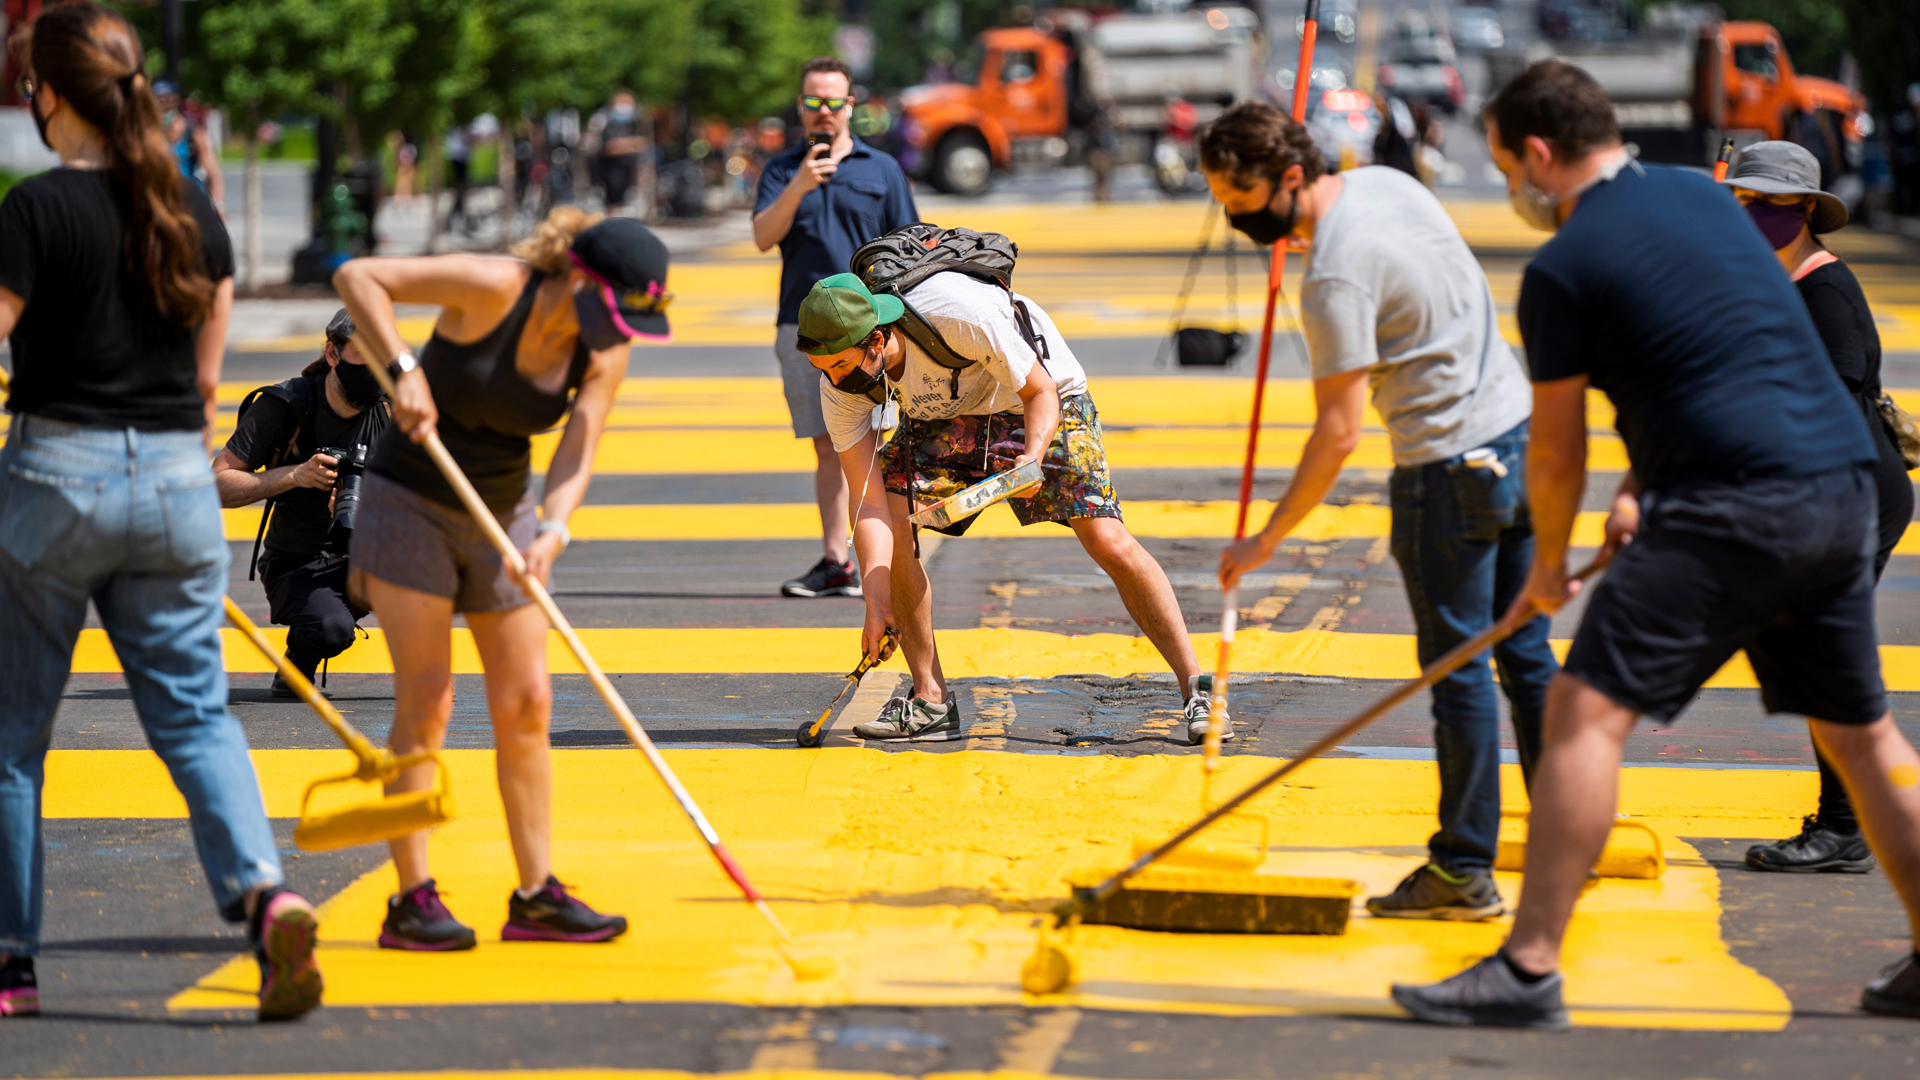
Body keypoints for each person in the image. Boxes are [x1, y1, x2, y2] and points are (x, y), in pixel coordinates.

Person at [1395, 58, 1920, 1029]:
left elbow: (1554, 458)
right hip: (1842, 485)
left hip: (1736, 505)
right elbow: (1717, 353)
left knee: (1587, 716)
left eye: (1510, 164)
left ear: (1540, 155)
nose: (1513, 184)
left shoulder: (1562, 269)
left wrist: (1545, 570)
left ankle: (1526, 968)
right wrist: (1645, 481)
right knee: (1862, 732)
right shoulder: (1699, 197)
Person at [0, 2, 320, 1021]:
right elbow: (213, 327)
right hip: (179, 487)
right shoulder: (187, 207)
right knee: (193, 716)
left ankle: (12, 962)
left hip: (57, 479)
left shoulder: (34, 210)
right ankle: (265, 900)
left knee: (12, 738)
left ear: (49, 95)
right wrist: (193, 410)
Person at [1204, 100, 1554, 920]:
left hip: (1445, 470)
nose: (1236, 216)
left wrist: (1265, 538)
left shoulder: (1330, 276)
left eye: (1243, 197)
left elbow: (1337, 433)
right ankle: (1569, 825)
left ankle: (1464, 870)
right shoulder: (1390, 183)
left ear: (1291, 176)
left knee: (1459, 669)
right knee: (1527, 654)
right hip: (1517, 434)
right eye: (1222, 198)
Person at [332, 206, 668, 951]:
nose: (617, 334)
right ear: (577, 281)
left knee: (527, 702)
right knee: (429, 698)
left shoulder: (605, 346)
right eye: (612, 313)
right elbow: (358, 277)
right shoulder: (493, 288)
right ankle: (411, 899)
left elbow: (581, 442)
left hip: (506, 506)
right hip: (410, 500)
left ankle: (535, 894)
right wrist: (406, 370)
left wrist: (553, 529)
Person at [796, 270, 1219, 742]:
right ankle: (930, 699)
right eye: (823, 368)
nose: (834, 379)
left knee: (1106, 538)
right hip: (947, 415)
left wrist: (1031, 461)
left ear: (877, 338)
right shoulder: (841, 387)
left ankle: (1197, 687)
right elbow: (868, 502)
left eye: (840, 364)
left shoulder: (960, 317)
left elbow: (1040, 391)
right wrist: (876, 601)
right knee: (898, 518)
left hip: (1040, 399)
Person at [1727, 141, 1915, 874]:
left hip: (1851, 496)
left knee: (1826, 666)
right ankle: (1847, 821)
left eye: (1765, 205)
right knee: (1822, 664)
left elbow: (1828, 406)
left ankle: (1847, 825)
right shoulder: (1777, 282)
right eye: (1743, 203)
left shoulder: (1823, 289)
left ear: (1803, 209)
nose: (1751, 216)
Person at [753, 56, 918, 600]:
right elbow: (761, 236)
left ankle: (892, 557)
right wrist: (799, 185)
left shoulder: (882, 169)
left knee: (885, 441)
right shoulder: (781, 170)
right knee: (829, 444)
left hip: (872, 330)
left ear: (851, 106)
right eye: (812, 102)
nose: (822, 112)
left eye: (833, 102)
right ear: (800, 107)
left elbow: (910, 247)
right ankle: (835, 560)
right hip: (802, 332)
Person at [213, 309, 390, 696]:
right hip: (295, 559)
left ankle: (425, 676)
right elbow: (217, 485)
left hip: (368, 551)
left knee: (443, 574)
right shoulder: (286, 405)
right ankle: (301, 657)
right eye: (366, 353)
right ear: (333, 354)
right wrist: (295, 475)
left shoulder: (394, 409)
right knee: (330, 630)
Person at [153, 79, 224, 210]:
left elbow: (213, 173)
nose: (162, 106)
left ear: (176, 100)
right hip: (161, 201)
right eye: (157, 101)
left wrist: (218, 206)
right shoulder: (149, 132)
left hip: (188, 200)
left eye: (166, 101)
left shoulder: (193, 130)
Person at [596, 90, 648, 213]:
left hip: (628, 175)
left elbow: (642, 145)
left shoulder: (632, 126)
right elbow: (608, 148)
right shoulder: (610, 126)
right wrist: (631, 144)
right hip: (611, 175)